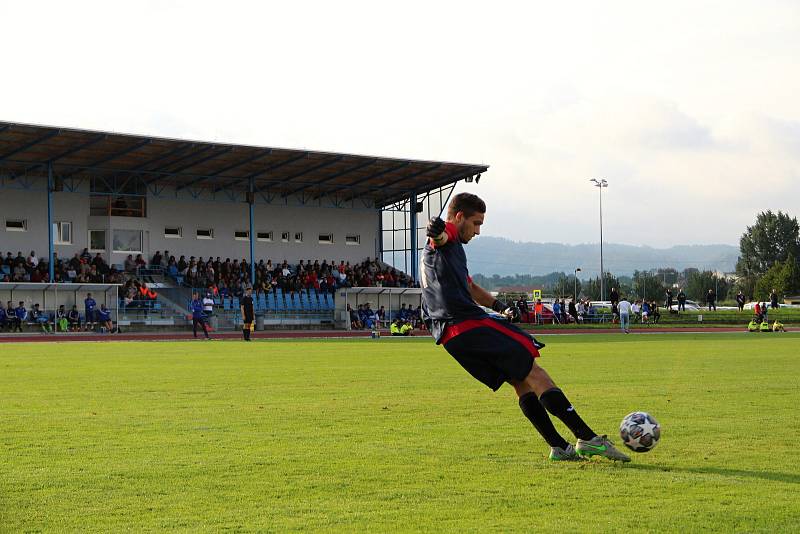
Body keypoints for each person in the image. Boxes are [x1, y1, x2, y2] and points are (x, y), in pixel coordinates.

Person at [421, 193, 629, 462]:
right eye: (476, 223)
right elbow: (440, 236)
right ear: (459, 217)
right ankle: (587, 438)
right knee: (535, 370)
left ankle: (558, 446)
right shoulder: (446, 238)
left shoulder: (449, 256)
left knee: (520, 380)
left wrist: (500, 306)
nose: (478, 231)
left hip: (451, 337)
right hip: (468, 323)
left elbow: (470, 287)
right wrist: (436, 230)